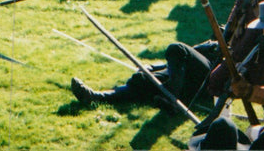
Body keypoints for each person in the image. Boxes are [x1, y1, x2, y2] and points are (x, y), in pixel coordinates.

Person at [69, 41, 216, 111]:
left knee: (176, 48)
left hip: (210, 75)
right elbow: (190, 53)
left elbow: (184, 52)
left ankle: (171, 99)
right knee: (142, 79)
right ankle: (97, 97)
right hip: (186, 79)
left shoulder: (235, 43)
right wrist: (152, 67)